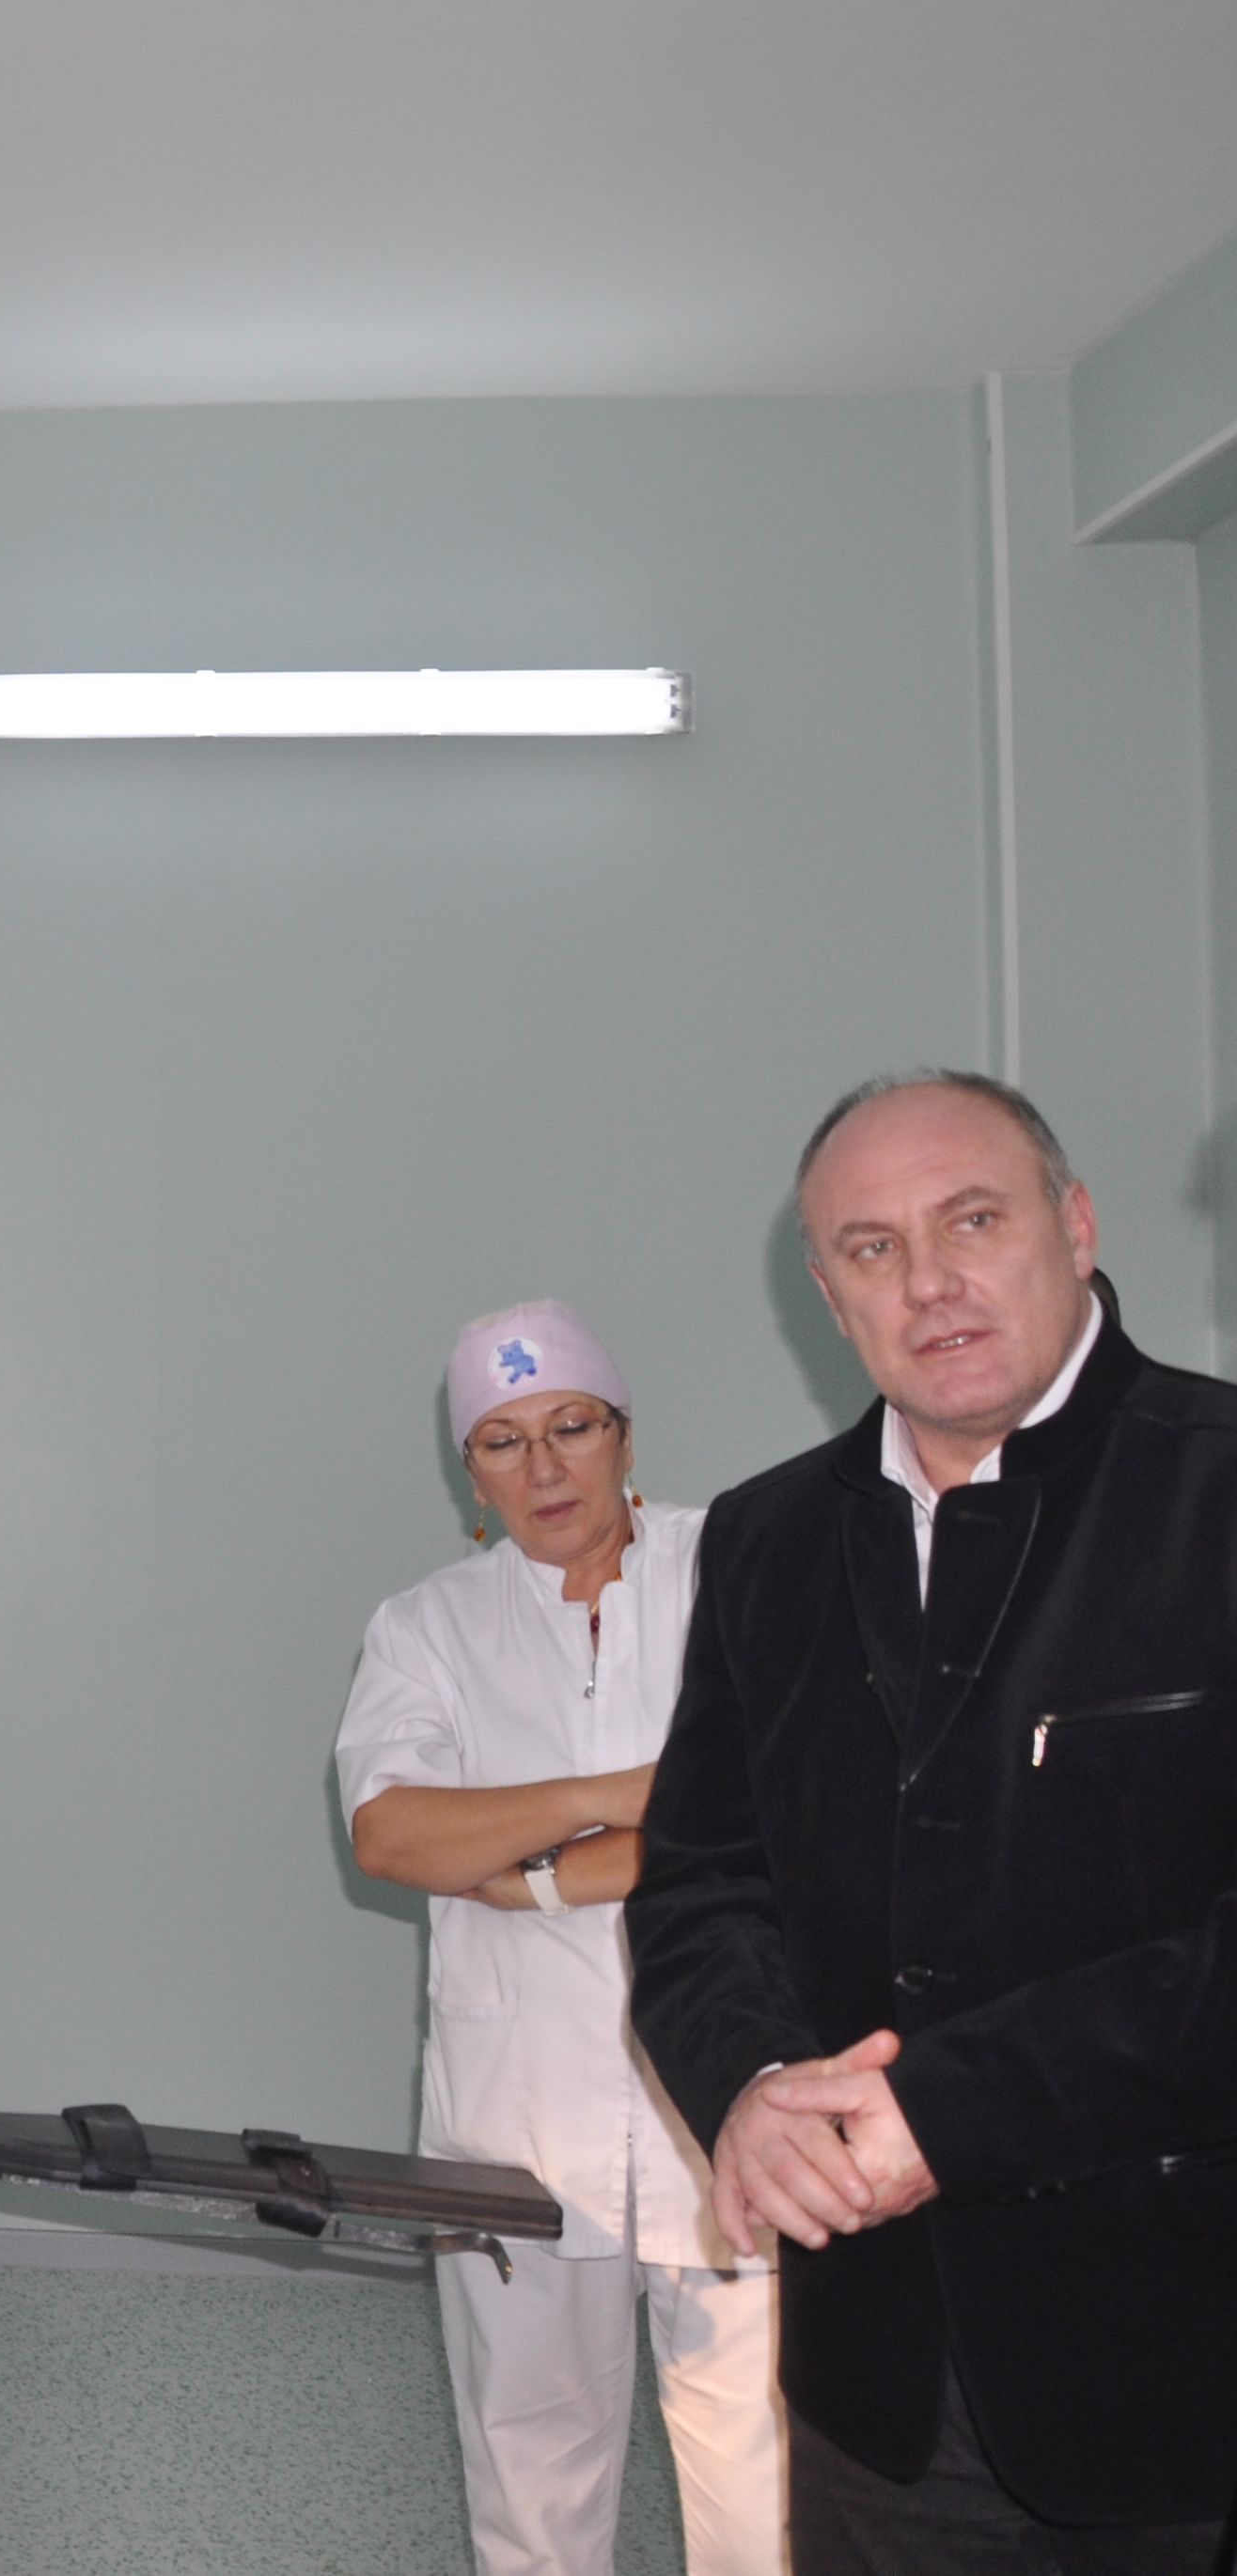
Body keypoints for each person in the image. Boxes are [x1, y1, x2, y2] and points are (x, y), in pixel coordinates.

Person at [627, 1071, 1237, 2572]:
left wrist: (952, 2110)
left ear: (1075, 1225)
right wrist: (755, 2087)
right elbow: (702, 1884)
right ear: (829, 1297)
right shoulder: (768, 1538)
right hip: (879, 2382)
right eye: (873, 1247)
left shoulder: (1215, 1487)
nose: (931, 1281)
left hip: (1185, 2365)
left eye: (973, 1220)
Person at [337, 1300, 786, 2576]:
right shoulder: (427, 1626)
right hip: (517, 2125)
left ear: (625, 1434)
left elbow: (784, 1817)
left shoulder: (737, 1569)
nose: (543, 1467)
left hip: (731, 2101)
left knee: (764, 2502)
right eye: (503, 1441)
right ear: (468, 1473)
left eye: (572, 1427)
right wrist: (624, 1790)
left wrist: (534, 1873)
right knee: (531, 2498)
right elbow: (393, 1835)